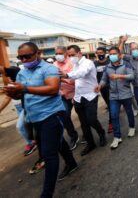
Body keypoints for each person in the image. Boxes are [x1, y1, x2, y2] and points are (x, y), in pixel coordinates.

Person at [4, 42, 77, 197]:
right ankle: (71, 163)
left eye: (27, 56)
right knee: (58, 142)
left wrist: (23, 88)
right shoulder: (21, 73)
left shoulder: (49, 69)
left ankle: (46, 194)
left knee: (49, 154)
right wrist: (14, 93)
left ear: (37, 53)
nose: (24, 60)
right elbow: (22, 94)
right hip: (34, 117)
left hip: (51, 115)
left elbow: (52, 89)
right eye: (20, 57)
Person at [61, 45, 106, 156]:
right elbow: (77, 82)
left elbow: (82, 73)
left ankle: (101, 133)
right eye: (69, 55)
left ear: (79, 53)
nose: (71, 57)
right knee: (83, 123)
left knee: (91, 120)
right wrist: (75, 96)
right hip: (78, 98)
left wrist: (67, 75)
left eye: (73, 55)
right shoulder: (74, 65)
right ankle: (90, 144)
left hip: (90, 95)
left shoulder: (87, 63)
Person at [97, 47, 135, 149]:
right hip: (113, 95)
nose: (112, 55)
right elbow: (104, 79)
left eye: (114, 53)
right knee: (114, 115)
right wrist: (100, 86)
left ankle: (132, 127)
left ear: (119, 55)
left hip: (126, 93)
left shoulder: (126, 64)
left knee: (129, 112)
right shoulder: (107, 67)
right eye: (110, 54)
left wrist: (120, 76)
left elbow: (132, 76)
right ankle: (117, 137)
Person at [0, 66, 37, 156]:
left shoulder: (14, 70)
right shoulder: (6, 75)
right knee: (29, 126)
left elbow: (9, 96)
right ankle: (34, 142)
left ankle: (33, 143)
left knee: (20, 127)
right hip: (18, 106)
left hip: (24, 105)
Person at [53, 46, 79, 150]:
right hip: (63, 95)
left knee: (83, 116)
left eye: (60, 53)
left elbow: (74, 80)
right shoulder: (54, 65)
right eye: (56, 53)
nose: (58, 55)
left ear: (65, 54)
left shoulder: (72, 63)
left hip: (76, 93)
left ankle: (87, 134)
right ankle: (73, 136)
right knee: (65, 116)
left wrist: (62, 79)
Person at [94, 47, 113, 133]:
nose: (99, 54)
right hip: (102, 88)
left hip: (112, 86)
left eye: (101, 52)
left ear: (105, 53)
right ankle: (114, 116)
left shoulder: (110, 61)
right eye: (98, 53)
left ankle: (111, 123)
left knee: (111, 104)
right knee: (109, 104)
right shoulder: (94, 63)